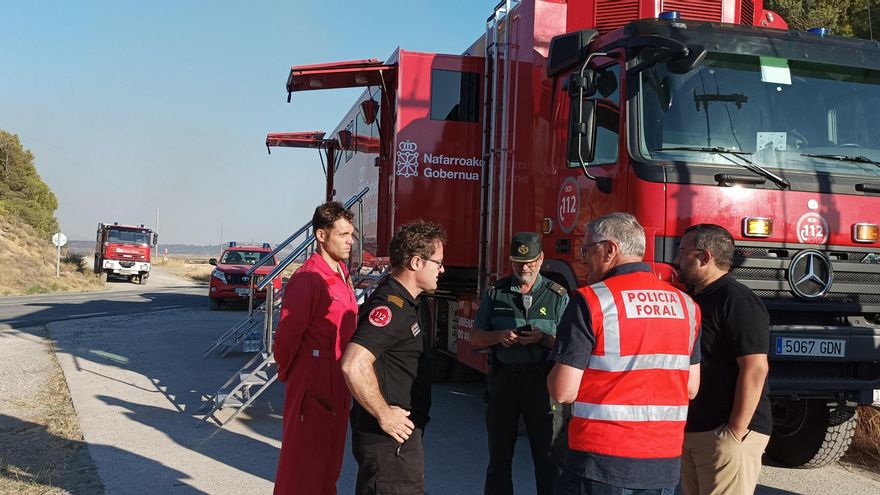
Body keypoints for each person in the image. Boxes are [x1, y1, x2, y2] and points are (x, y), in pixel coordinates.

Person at [547, 212, 702, 495]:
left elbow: (562, 391)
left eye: (587, 249)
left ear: (609, 250)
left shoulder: (591, 300)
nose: (583, 258)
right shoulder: (687, 306)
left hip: (600, 459)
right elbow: (691, 387)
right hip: (662, 461)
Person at [341, 221, 447, 495]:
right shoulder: (391, 308)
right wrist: (384, 414)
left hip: (398, 440)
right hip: (389, 441)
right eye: (438, 263)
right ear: (416, 262)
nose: (442, 270)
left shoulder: (408, 303)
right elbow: (354, 364)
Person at [674, 224, 771, 495]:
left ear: (704, 257)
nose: (676, 260)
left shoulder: (737, 300)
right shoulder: (695, 298)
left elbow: (755, 368)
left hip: (725, 433)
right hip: (695, 429)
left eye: (682, 252)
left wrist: (734, 432)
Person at [469, 232, 569, 495]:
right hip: (504, 382)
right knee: (499, 459)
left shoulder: (557, 296)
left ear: (541, 259)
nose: (524, 268)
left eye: (530, 262)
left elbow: (571, 347)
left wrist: (544, 339)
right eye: (517, 263)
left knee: (547, 459)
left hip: (541, 384)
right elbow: (475, 338)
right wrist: (499, 336)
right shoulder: (496, 292)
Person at [272, 201, 358, 495]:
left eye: (352, 234)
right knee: (303, 465)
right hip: (314, 379)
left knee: (328, 462)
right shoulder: (309, 278)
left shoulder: (342, 274)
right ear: (321, 236)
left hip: (338, 379)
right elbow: (286, 338)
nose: (350, 241)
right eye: (343, 234)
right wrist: (293, 374)